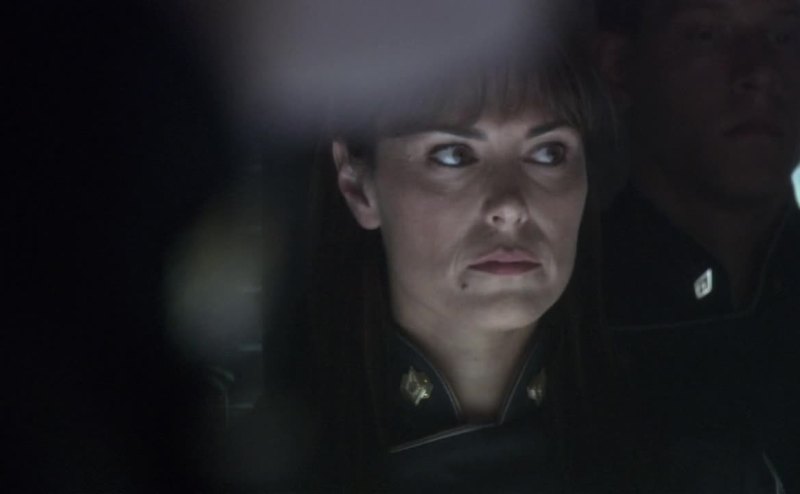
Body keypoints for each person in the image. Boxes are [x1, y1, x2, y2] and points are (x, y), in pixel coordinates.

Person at [596, 0, 800, 490]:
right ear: (619, 65)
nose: (759, 72)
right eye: (707, 34)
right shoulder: (559, 327)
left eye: (785, 36)